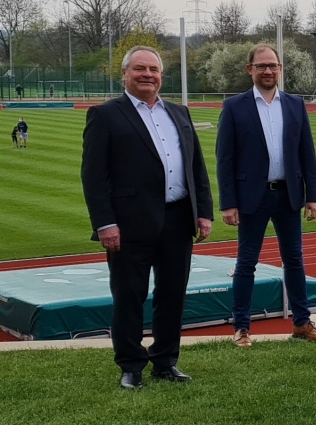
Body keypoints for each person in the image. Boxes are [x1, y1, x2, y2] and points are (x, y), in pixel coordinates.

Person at [80, 45, 214, 390]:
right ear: (125, 74)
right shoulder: (106, 115)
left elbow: (196, 167)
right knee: (129, 297)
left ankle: (166, 361)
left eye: (153, 69)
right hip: (129, 224)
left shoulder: (180, 113)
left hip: (178, 219)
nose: (148, 75)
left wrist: (204, 213)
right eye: (140, 69)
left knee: (172, 295)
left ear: (161, 76)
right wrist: (105, 223)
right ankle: (131, 366)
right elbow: (93, 176)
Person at [217, 44, 316, 348]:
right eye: (261, 66)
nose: (268, 71)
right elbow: (224, 158)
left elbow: (307, 153)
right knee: (246, 263)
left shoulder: (294, 104)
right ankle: (241, 328)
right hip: (252, 196)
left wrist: (312, 196)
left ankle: (302, 323)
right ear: (250, 69)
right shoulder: (234, 107)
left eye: (273, 66)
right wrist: (228, 203)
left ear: (280, 69)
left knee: (294, 260)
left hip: (288, 194)